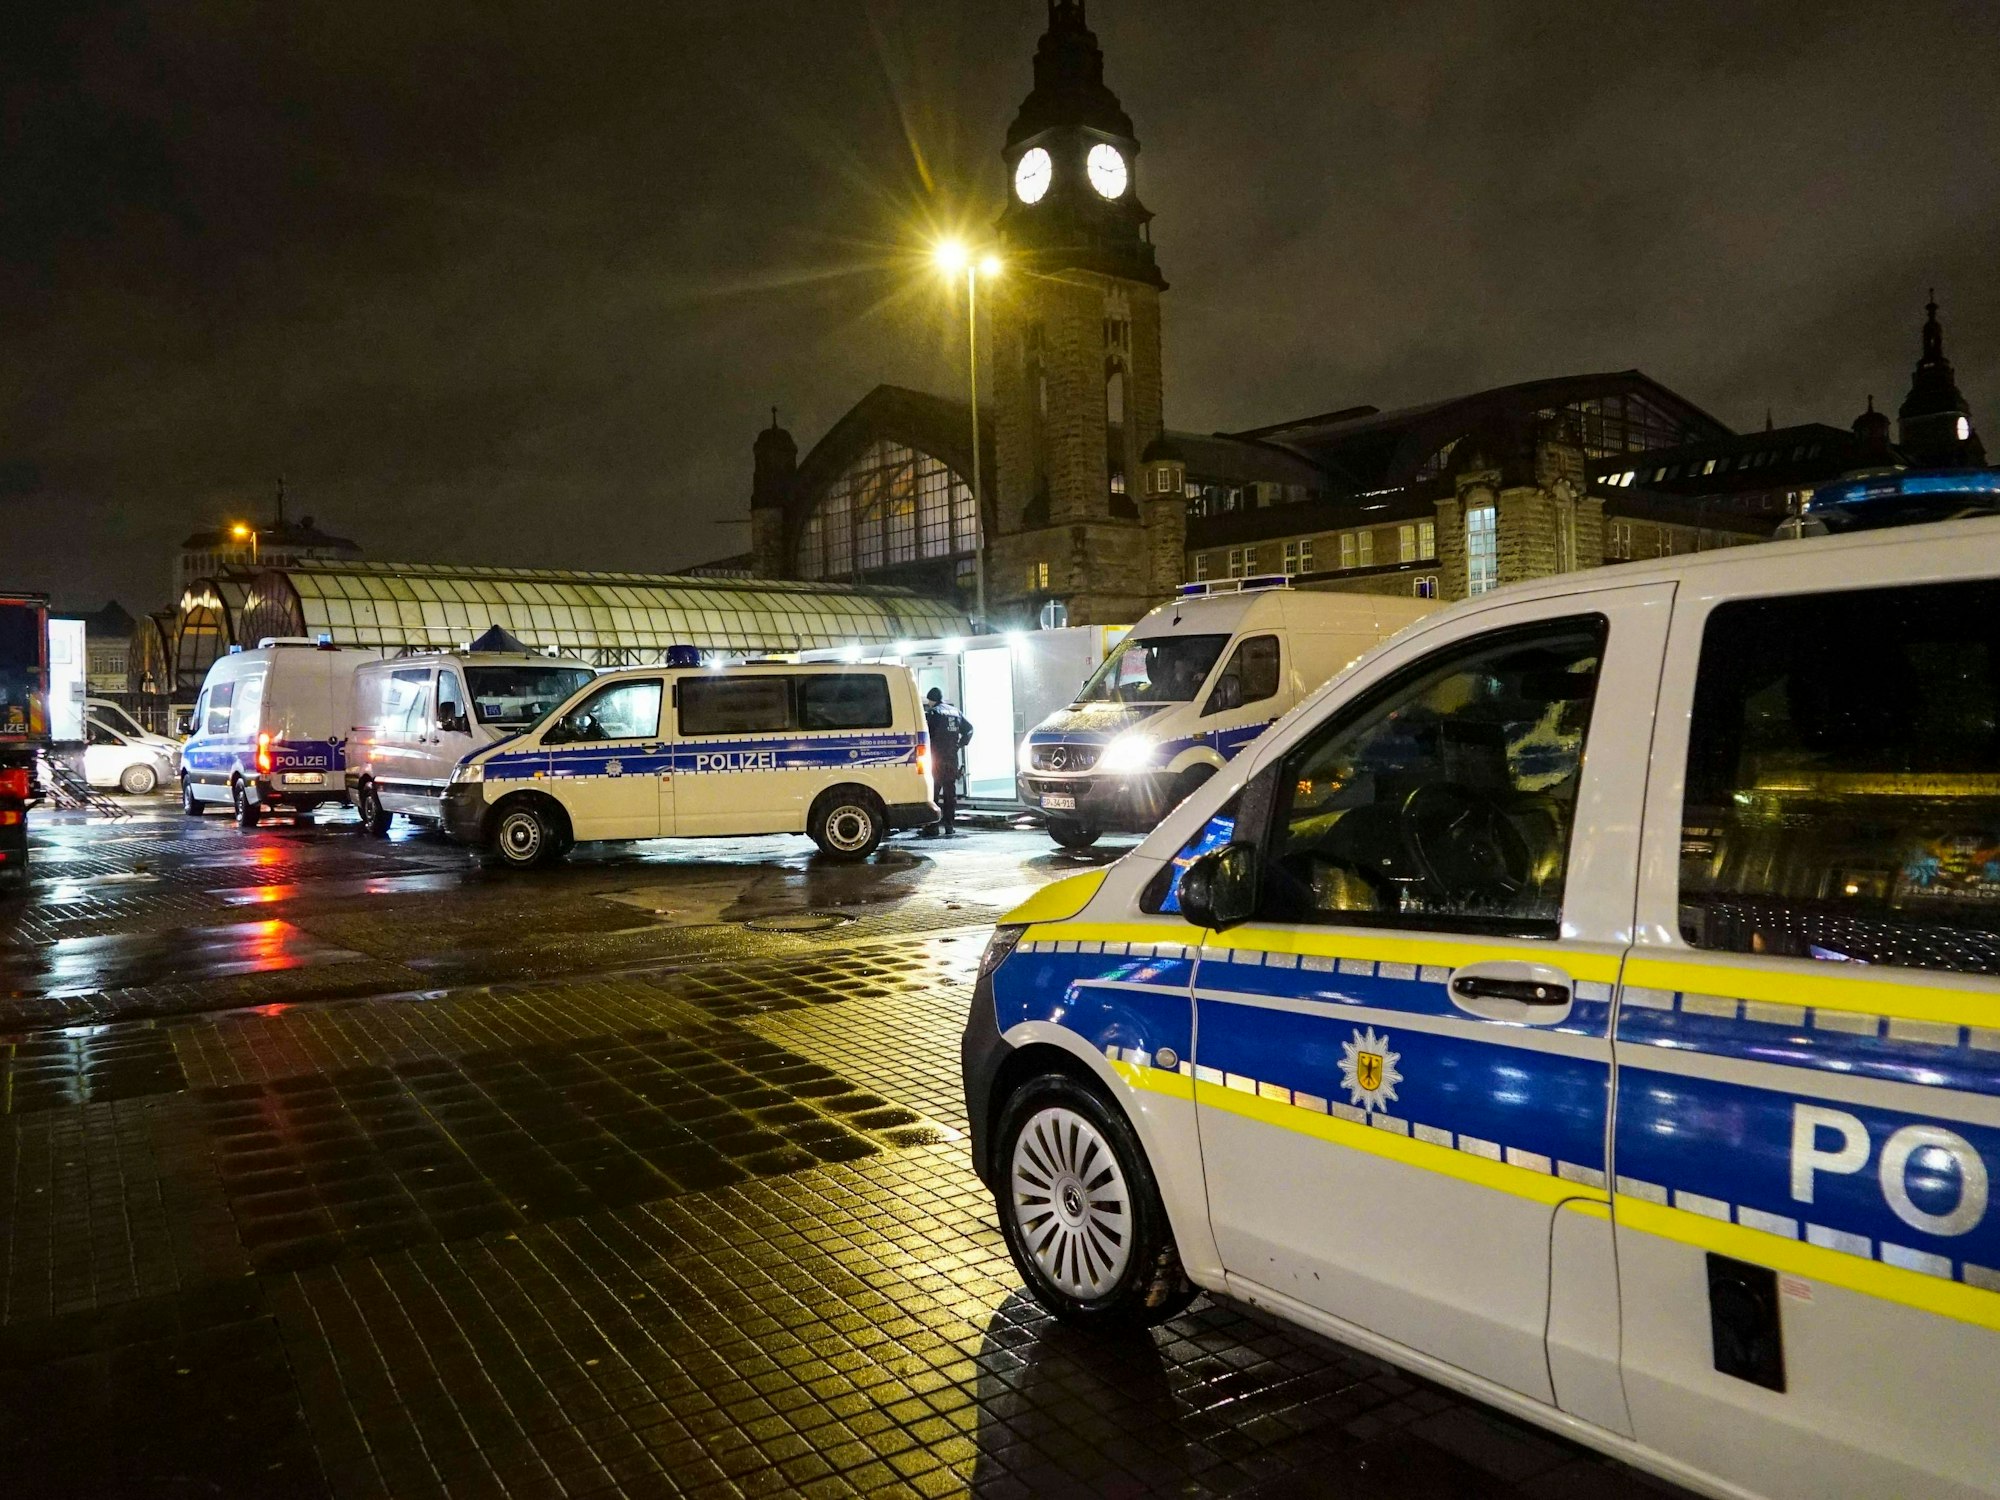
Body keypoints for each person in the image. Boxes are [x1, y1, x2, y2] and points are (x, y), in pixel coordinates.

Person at [921, 686, 973, 837]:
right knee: (950, 792)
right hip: (951, 757)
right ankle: (949, 825)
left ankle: (933, 826)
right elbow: (969, 729)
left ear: (931, 700)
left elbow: (926, 734)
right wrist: (960, 744)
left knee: (934, 791)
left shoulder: (933, 712)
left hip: (936, 756)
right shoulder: (955, 711)